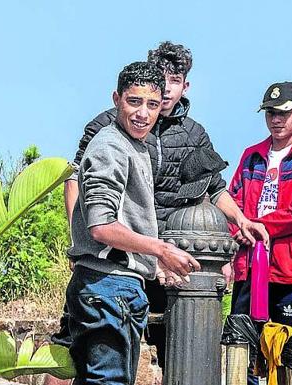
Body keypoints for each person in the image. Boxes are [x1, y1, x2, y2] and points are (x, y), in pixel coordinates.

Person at [57, 41, 268, 366]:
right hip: (114, 258)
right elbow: (76, 182)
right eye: (162, 78)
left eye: (175, 80)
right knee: (72, 349)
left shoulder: (193, 134)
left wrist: (240, 220)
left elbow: (213, 189)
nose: (167, 89)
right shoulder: (109, 128)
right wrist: (81, 246)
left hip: (171, 258)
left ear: (185, 85)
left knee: (181, 346)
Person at [66, 61, 201, 385]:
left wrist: (151, 266)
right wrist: (160, 250)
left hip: (117, 285)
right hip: (107, 288)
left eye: (152, 105)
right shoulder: (110, 147)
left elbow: (124, 222)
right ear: (117, 99)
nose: (143, 113)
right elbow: (102, 227)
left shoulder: (134, 145)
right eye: (134, 101)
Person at [227, 81, 292, 384]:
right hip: (249, 267)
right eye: (271, 113)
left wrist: (260, 226)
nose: (277, 119)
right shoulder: (250, 156)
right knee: (242, 346)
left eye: (284, 113)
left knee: (287, 349)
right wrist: (240, 229)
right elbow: (232, 200)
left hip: (291, 269)